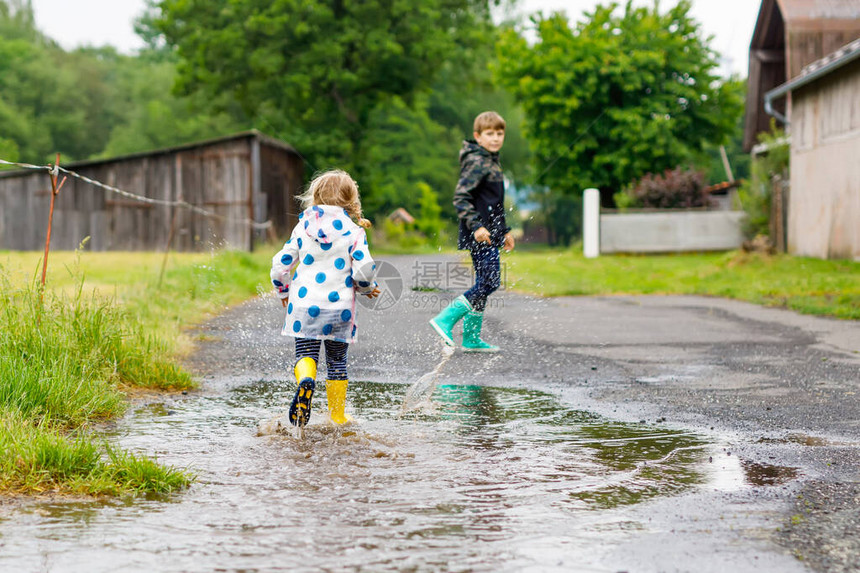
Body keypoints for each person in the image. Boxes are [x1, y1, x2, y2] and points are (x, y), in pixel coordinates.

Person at [271, 169, 379, 428]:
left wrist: (283, 291)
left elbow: (279, 265)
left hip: (304, 306)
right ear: (351, 201)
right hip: (338, 310)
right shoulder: (354, 232)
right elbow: (364, 270)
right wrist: (367, 288)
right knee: (337, 362)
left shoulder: (302, 227)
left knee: (305, 354)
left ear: (315, 197)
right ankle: (338, 416)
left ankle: (306, 380)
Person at [429, 111, 514, 352]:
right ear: (478, 136)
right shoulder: (477, 161)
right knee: (490, 281)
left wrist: (505, 231)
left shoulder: (491, 160)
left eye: (499, 133)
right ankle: (445, 319)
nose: (496, 138)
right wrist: (476, 226)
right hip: (479, 232)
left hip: (491, 232)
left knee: (484, 281)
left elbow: (494, 203)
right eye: (490, 134)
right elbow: (461, 198)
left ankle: (471, 338)